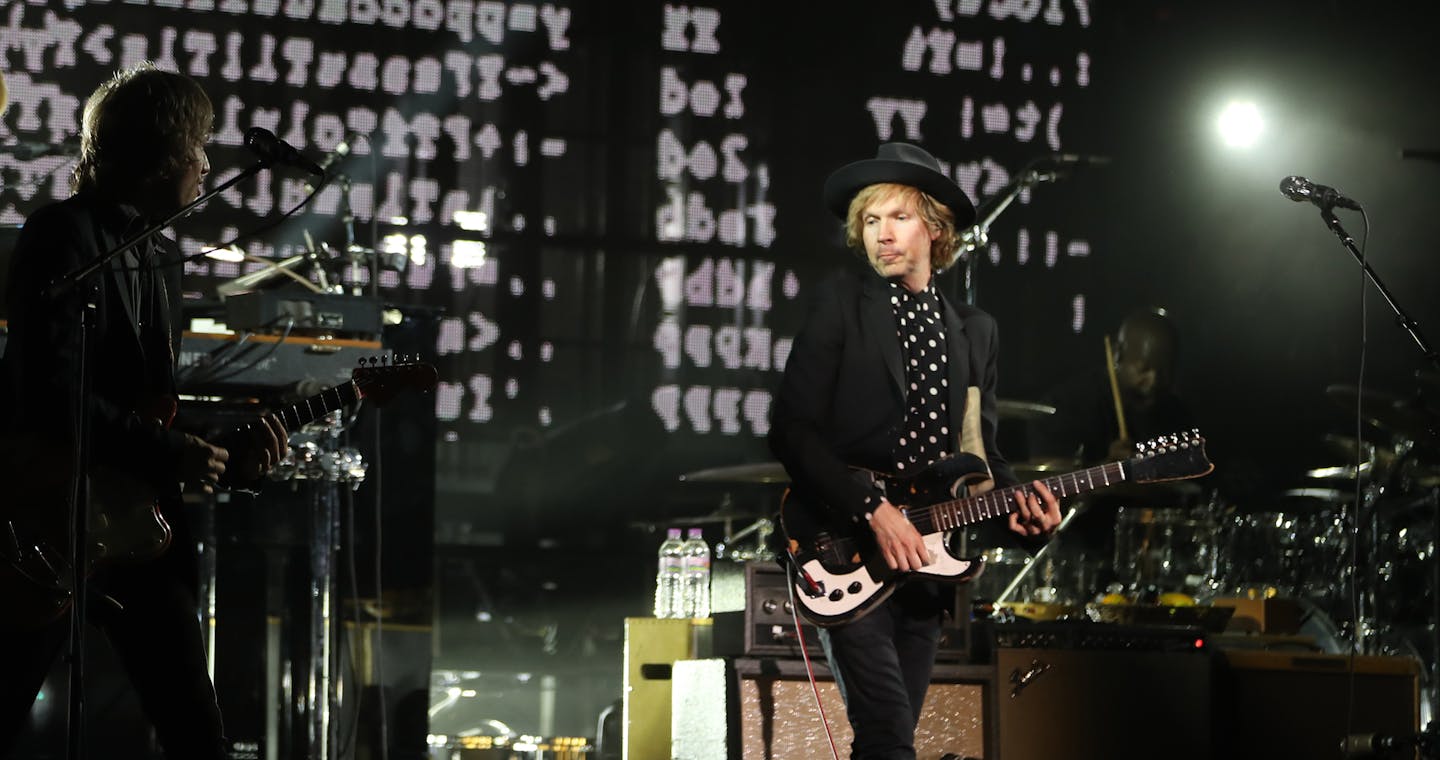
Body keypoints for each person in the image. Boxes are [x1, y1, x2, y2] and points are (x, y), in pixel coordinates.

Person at [0, 63, 286, 759]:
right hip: (48, 514)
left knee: (195, 727)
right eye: (200, 145)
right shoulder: (61, 237)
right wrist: (169, 451)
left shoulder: (159, 259)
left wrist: (221, 450)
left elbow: (148, 408)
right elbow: (48, 388)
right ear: (163, 155)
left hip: (136, 528)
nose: (207, 165)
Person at [768, 142, 1061, 759]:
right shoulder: (841, 308)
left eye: (896, 217)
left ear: (934, 226)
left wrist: (1026, 518)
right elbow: (792, 429)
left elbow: (982, 457)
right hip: (847, 544)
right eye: (869, 222)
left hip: (931, 564)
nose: (881, 235)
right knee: (888, 734)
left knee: (888, 741)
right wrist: (873, 509)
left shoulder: (976, 330)